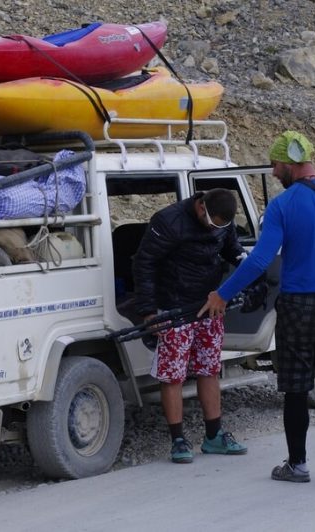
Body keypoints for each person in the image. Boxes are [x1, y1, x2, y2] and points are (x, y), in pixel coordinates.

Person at [199, 131, 315, 486]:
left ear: (290, 163)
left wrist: (222, 294)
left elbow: (260, 261)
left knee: (297, 388)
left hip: (299, 304)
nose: (273, 173)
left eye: (275, 165)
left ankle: (298, 465)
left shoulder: (282, 206)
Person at [132, 188, 248, 464]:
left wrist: (250, 273)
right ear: (201, 208)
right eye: (212, 224)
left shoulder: (223, 224)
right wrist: (149, 312)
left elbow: (233, 251)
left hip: (209, 306)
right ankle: (178, 441)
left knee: (209, 369)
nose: (214, 230)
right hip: (173, 308)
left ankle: (214, 436)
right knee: (172, 375)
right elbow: (144, 264)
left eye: (220, 226)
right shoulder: (167, 221)